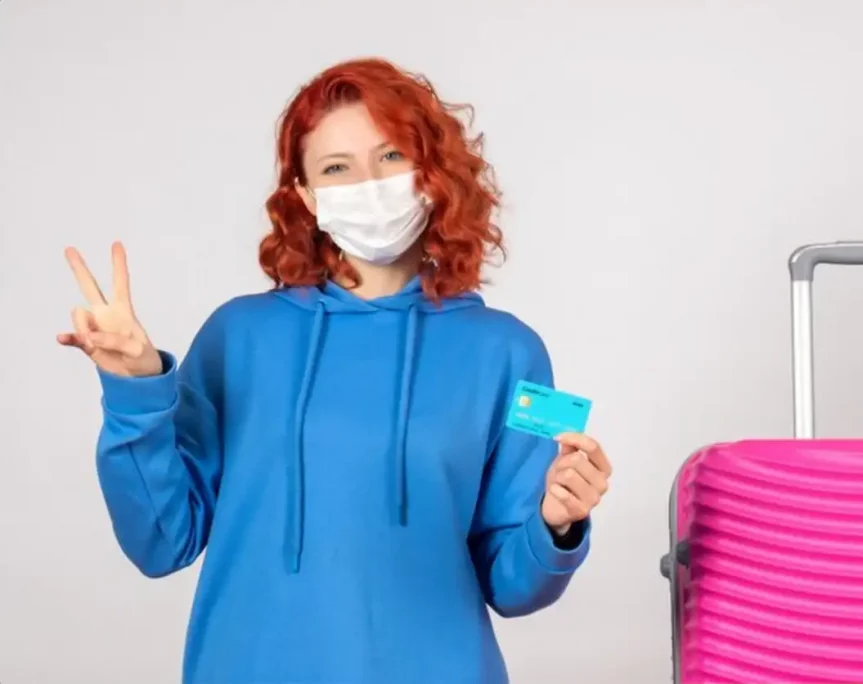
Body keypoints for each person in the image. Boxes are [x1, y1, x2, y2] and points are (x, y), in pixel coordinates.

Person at [58, 57, 613, 683]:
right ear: (304, 193)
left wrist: (558, 524)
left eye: (391, 158)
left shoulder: (509, 352)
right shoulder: (239, 337)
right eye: (337, 169)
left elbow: (515, 587)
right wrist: (135, 388)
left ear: (431, 171)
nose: (368, 185)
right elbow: (161, 542)